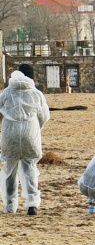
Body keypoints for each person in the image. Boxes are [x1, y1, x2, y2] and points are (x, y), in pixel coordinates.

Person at [0, 65, 50, 215]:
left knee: (10, 169)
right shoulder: (36, 94)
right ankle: (32, 204)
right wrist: (35, 128)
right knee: (30, 168)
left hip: (10, 134)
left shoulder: (6, 93)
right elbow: (44, 116)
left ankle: (10, 206)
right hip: (30, 134)